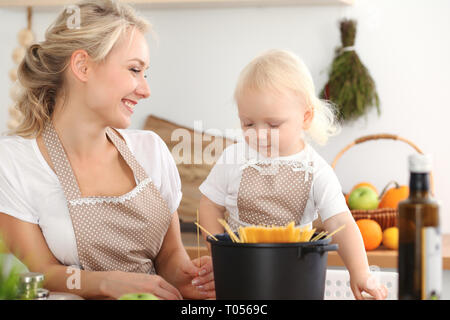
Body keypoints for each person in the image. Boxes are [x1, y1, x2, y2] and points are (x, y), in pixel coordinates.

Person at [0, 0, 214, 300]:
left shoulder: (151, 150)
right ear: (82, 66)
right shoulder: (14, 162)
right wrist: (104, 283)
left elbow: (169, 258)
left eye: (145, 73)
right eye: (134, 69)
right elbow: (38, 271)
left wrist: (189, 278)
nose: (145, 89)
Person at [198, 49, 388, 300]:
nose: (260, 134)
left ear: (306, 117)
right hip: (238, 275)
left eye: (273, 124)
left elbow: (340, 223)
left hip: (294, 277)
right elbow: (209, 205)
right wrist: (218, 254)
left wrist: (361, 272)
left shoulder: (316, 170)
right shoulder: (234, 158)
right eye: (248, 123)